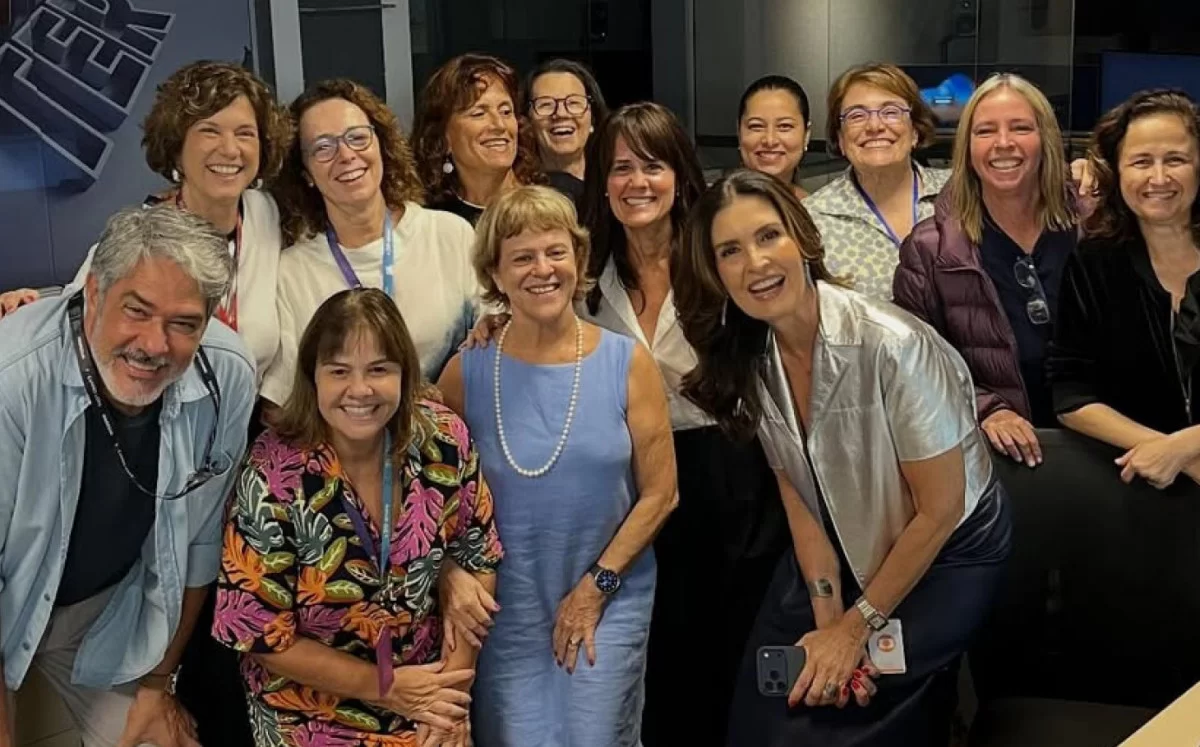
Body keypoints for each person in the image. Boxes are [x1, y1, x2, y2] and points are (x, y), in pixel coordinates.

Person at [674, 169, 1012, 745]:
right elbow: (798, 494)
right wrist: (827, 616)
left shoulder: (893, 345)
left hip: (946, 550)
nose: (755, 263)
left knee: (851, 703)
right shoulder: (752, 354)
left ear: (803, 239)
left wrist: (856, 629)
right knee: (770, 699)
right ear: (715, 271)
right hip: (841, 534)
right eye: (730, 251)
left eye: (768, 237)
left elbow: (939, 509)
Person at [0, 205, 255, 747]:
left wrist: (158, 684)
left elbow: (199, 545)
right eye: (136, 311)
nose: (155, 345)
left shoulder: (228, 376)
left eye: (184, 323)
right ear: (93, 294)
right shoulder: (12, 377)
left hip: (105, 617)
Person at [580, 102, 791, 744]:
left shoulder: (718, 257)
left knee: (733, 664)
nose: (636, 183)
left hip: (731, 482)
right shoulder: (586, 274)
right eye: (620, 169)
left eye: (652, 166)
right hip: (630, 488)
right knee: (659, 663)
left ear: (679, 173)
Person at [436, 185, 676, 746]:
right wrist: (450, 579)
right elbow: (427, 502)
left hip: (608, 594)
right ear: (495, 274)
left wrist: (596, 587)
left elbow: (661, 494)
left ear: (579, 260)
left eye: (556, 252)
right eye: (522, 257)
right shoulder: (464, 372)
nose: (542, 269)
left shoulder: (627, 361)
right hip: (503, 611)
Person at [213, 287, 501, 746]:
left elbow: (478, 557)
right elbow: (261, 635)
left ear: (405, 373)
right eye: (340, 371)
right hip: (312, 709)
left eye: (379, 370)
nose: (360, 390)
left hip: (429, 685)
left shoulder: (443, 441)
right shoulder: (274, 476)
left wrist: (450, 696)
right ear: (313, 378)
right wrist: (388, 689)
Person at [0, 61, 292, 387]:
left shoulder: (270, 215)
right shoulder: (139, 238)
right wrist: (28, 312)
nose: (230, 149)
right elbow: (78, 318)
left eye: (245, 134)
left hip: (252, 423)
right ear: (176, 147)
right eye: (209, 130)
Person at [894, 74, 1078, 468]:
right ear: (967, 148)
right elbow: (913, 367)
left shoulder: (1091, 229)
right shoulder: (930, 250)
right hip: (993, 458)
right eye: (986, 131)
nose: (1004, 143)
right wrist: (986, 409)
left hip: (1100, 447)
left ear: (1045, 138)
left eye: (1021, 128)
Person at [263, 78, 479, 410]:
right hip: (345, 451)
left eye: (358, 137)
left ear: (381, 143)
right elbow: (285, 403)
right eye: (323, 147)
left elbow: (498, 346)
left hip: (454, 443)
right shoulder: (293, 271)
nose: (346, 155)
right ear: (305, 172)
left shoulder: (450, 236)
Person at [1049, 89, 1200, 489]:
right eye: (1141, 162)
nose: (1159, 178)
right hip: (1135, 489)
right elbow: (1070, 396)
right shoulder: (1094, 262)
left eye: (1176, 160)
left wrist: (1188, 445)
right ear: (1117, 171)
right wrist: (1168, 452)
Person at [803, 63, 951, 301]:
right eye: (857, 115)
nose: (874, 126)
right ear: (840, 139)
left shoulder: (962, 193)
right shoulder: (810, 220)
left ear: (915, 131)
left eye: (891, 112)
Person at [411, 53, 544, 224]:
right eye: (479, 114)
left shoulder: (559, 198)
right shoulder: (428, 222)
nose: (499, 125)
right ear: (443, 138)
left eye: (506, 112)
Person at [524, 58, 609, 204]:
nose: (561, 114)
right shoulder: (516, 197)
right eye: (546, 104)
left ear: (593, 118)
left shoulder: (616, 185)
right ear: (528, 121)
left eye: (574, 102)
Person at [738, 75, 813, 199]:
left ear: (806, 134)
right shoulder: (715, 209)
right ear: (739, 132)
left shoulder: (818, 212)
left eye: (784, 126)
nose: (770, 140)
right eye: (756, 126)